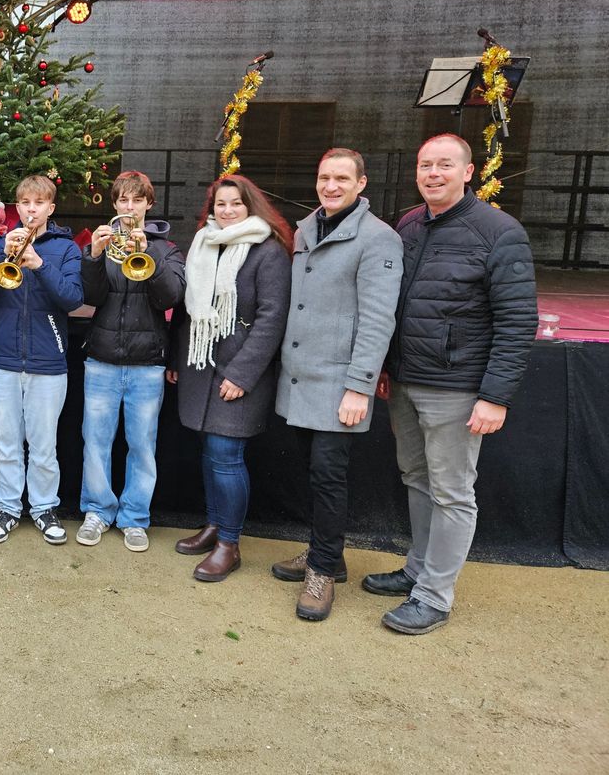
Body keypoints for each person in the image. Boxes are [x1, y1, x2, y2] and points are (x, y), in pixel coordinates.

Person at [366, 134, 537, 634]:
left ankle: (435, 596)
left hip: (457, 390)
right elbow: (398, 306)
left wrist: (494, 396)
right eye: (425, 165)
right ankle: (418, 572)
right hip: (406, 383)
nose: (433, 173)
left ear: (469, 172)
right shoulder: (409, 224)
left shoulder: (499, 232)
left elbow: (517, 320)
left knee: (452, 493)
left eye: (445, 165)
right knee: (417, 481)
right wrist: (386, 366)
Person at [271, 148, 402, 621]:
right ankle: (327, 553)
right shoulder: (308, 227)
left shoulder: (378, 239)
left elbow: (376, 320)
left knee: (329, 478)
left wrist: (359, 386)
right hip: (301, 377)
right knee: (313, 472)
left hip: (339, 383)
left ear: (361, 184)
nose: (331, 186)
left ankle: (322, 571)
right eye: (325, 177)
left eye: (342, 178)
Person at [168, 174, 292, 580]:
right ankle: (215, 525)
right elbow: (188, 308)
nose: (227, 210)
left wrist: (242, 374)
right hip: (201, 367)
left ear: (251, 206)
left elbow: (273, 318)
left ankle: (229, 544)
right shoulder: (203, 245)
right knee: (211, 454)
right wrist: (175, 357)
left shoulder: (268, 252)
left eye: (235, 203)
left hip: (238, 373)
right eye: (220, 204)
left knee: (226, 457)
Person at [0, 174, 83, 546]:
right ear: (18, 207)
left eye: (39, 203)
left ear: (51, 208)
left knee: (44, 444)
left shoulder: (65, 249)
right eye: (25, 203)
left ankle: (45, 508)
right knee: (6, 443)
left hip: (48, 363)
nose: (32, 210)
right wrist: (2, 253)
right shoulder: (1, 241)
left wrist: (38, 265)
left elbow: (71, 299)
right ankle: (8, 508)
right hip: (2, 361)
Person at [76, 171, 185, 552]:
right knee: (96, 441)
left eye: (137, 200)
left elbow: (170, 297)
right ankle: (97, 511)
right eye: (123, 200)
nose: (129, 207)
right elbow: (89, 296)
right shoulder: (102, 243)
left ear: (148, 205)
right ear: (114, 204)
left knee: (141, 445)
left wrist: (149, 251)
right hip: (102, 359)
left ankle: (135, 517)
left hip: (146, 363)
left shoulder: (167, 249)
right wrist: (93, 256)